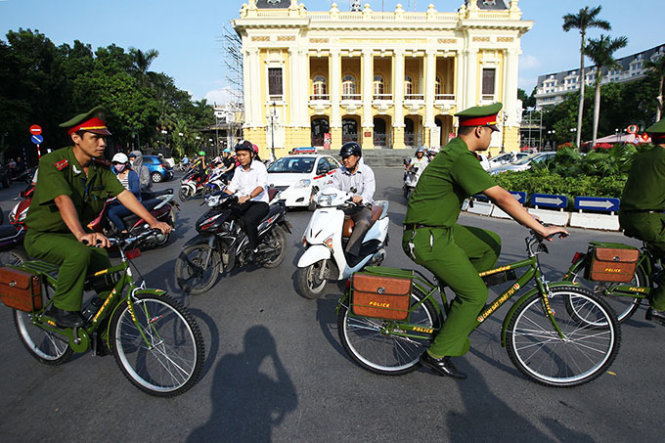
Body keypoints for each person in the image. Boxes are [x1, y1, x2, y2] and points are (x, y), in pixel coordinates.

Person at [402, 103, 567, 380]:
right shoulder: (460, 157)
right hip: (426, 238)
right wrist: (540, 228)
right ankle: (435, 355)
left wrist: (530, 218)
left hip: (440, 232)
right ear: (479, 130)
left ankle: (463, 304)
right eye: (491, 130)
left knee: (489, 241)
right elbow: (500, 196)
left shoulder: (459, 154)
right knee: (477, 294)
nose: (492, 136)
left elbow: (499, 196)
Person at [23, 106, 172, 328]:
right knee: (79, 253)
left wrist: (153, 221)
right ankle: (61, 308)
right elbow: (62, 199)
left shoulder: (100, 169)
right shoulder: (53, 163)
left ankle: (104, 330)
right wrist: (82, 234)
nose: (102, 144)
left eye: (103, 138)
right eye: (95, 138)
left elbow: (124, 195)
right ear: (76, 137)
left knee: (105, 267)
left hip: (76, 234)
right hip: (44, 235)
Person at [619, 116, 665, 323]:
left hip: (628, 217)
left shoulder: (642, 157)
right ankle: (658, 305)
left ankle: (653, 272)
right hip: (648, 222)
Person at [224, 140, 269, 262]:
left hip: (260, 202)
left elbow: (261, 186)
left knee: (248, 220)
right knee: (225, 215)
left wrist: (249, 196)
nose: (241, 158)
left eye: (244, 155)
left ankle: (255, 248)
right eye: (239, 155)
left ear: (251, 155)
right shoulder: (238, 169)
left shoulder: (259, 167)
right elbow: (232, 187)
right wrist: (219, 198)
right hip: (243, 202)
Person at [330, 142, 376, 262]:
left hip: (361, 208)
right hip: (344, 207)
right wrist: (319, 194)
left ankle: (351, 254)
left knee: (363, 222)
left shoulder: (366, 171)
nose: (345, 160)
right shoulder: (339, 172)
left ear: (357, 157)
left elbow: (369, 192)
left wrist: (361, 198)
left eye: (348, 157)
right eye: (343, 158)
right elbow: (332, 188)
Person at [107, 152, 141, 233]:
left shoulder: (132, 174)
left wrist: (122, 193)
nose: (117, 165)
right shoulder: (116, 175)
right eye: (115, 163)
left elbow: (136, 190)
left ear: (126, 164)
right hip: (119, 201)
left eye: (119, 163)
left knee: (111, 212)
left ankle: (123, 231)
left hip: (131, 202)